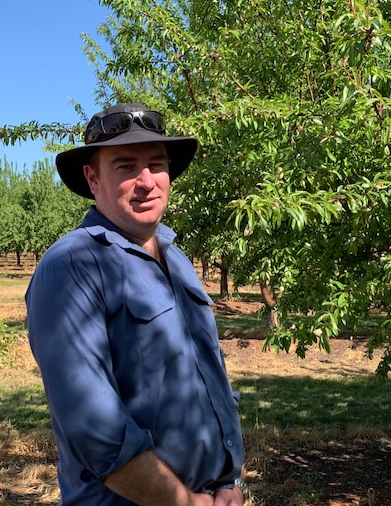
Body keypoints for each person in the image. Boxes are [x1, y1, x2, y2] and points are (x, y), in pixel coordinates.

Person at [25, 103, 247, 506]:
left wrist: (231, 482)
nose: (147, 181)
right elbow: (95, 428)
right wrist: (182, 502)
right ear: (93, 179)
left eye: (156, 164)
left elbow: (210, 375)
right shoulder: (74, 265)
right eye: (126, 167)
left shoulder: (175, 256)